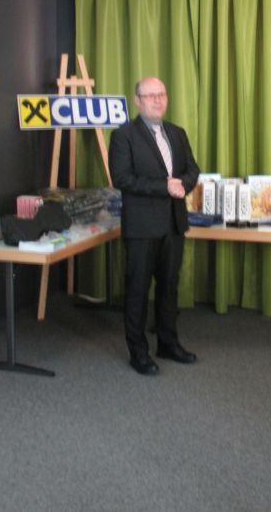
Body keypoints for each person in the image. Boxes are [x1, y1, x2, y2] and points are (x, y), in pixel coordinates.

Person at [109, 77, 200, 375]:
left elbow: (192, 169)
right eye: (150, 96)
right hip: (142, 227)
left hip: (174, 224)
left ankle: (168, 343)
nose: (157, 100)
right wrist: (165, 186)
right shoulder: (123, 136)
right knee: (138, 290)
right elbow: (122, 178)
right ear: (137, 101)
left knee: (169, 288)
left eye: (161, 94)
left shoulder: (177, 133)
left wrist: (183, 184)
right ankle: (138, 353)